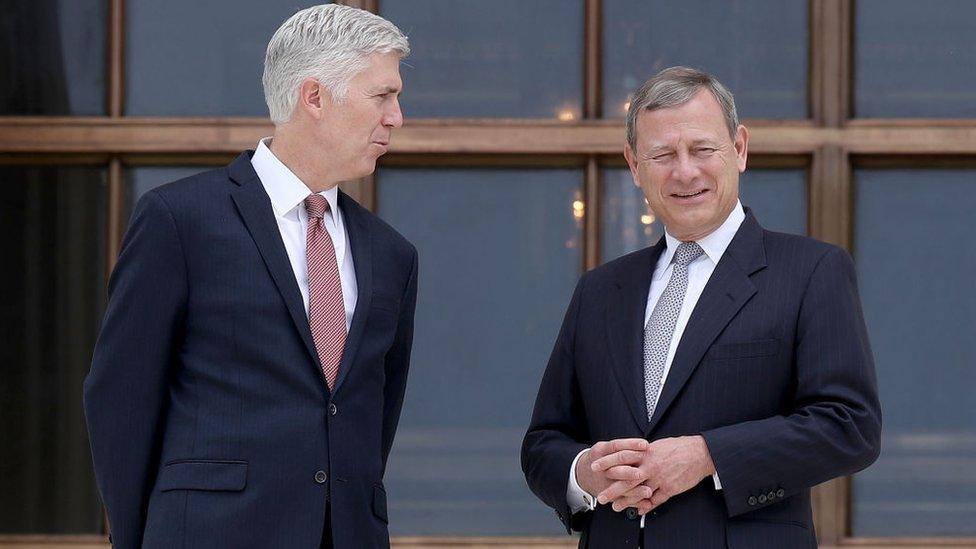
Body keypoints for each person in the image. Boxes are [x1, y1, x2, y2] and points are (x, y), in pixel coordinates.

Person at [84, 5, 416, 548]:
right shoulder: (180, 220)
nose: (397, 117)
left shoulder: (392, 253)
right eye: (382, 95)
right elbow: (119, 397)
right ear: (314, 97)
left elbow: (374, 418)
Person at [521, 66, 881, 548]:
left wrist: (707, 455)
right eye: (663, 155)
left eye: (702, 149)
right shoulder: (600, 290)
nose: (685, 171)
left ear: (740, 148)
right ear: (634, 165)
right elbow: (545, 441)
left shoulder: (811, 271)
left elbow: (848, 426)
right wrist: (584, 473)